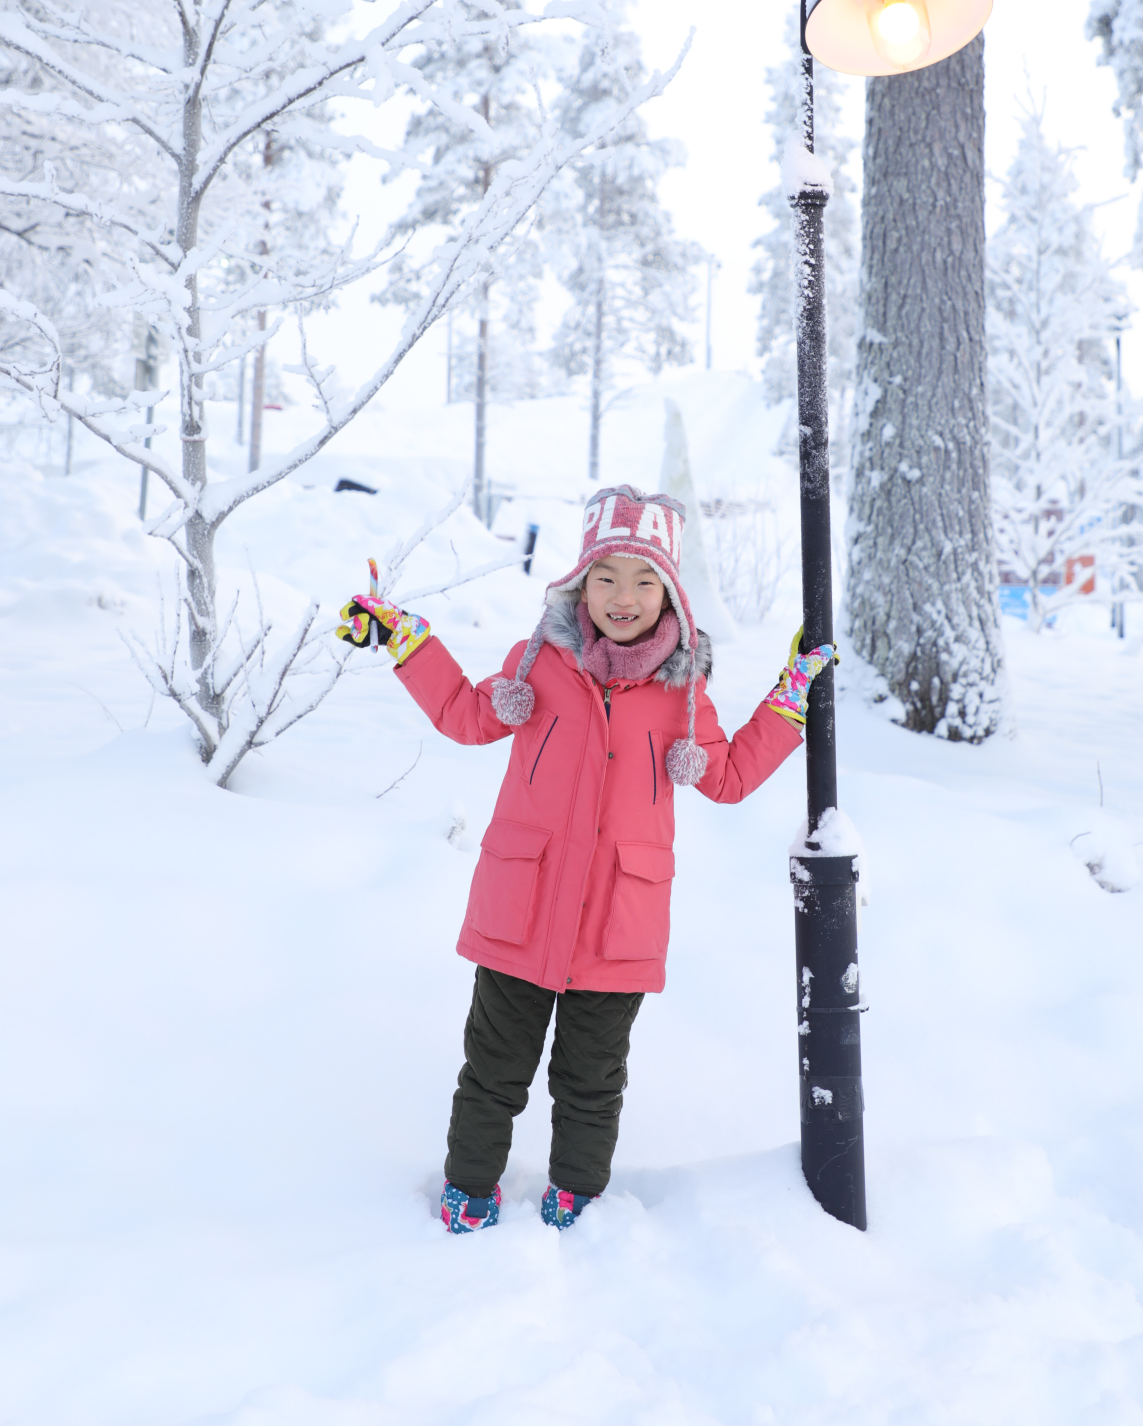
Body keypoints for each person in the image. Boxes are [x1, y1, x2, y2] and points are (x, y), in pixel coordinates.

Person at [337, 483, 834, 1234]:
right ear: (578, 585)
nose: (622, 596)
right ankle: (469, 1185)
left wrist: (790, 694)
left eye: (643, 581)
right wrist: (408, 640)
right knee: (492, 1072)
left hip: (616, 924)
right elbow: (468, 718)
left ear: (670, 596)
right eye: (605, 578)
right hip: (521, 911)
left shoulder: (683, 692)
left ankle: (576, 1193)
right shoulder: (537, 664)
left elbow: (729, 777)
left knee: (590, 1080)